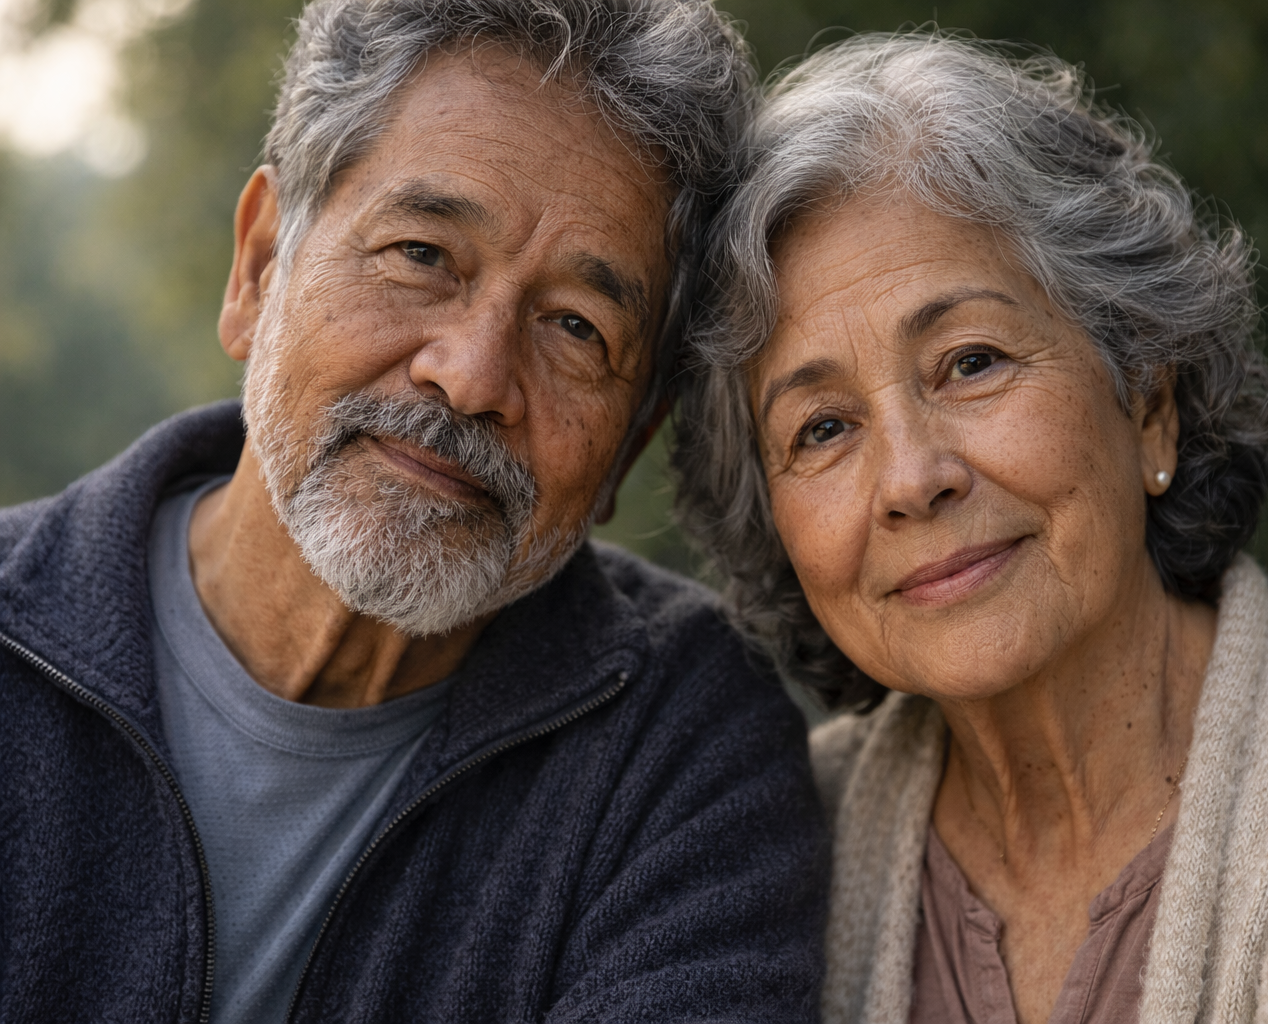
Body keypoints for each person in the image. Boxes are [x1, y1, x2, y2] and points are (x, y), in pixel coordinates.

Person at [672, 32, 1268, 1024]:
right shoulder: (765, 847)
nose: (912, 478)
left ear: (1148, 401)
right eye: (821, 428)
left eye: (972, 362)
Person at [0, 2, 828, 1021]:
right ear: (260, 268)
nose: (473, 375)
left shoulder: (682, 749)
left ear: (635, 439)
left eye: (577, 325)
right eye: (421, 254)